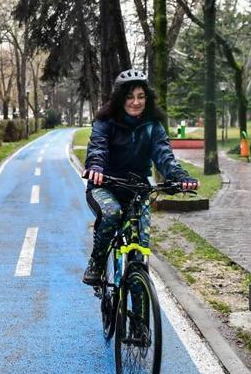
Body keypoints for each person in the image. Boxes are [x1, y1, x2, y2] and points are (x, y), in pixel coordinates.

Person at [81, 69, 199, 286]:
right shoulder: (105, 122)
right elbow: (97, 148)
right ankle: (96, 263)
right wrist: (96, 167)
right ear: (120, 99)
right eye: (129, 97)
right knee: (111, 213)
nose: (135, 102)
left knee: (140, 250)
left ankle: (140, 317)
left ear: (147, 98)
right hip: (105, 186)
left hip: (138, 190)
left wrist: (180, 176)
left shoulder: (153, 126)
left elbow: (164, 156)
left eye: (141, 97)